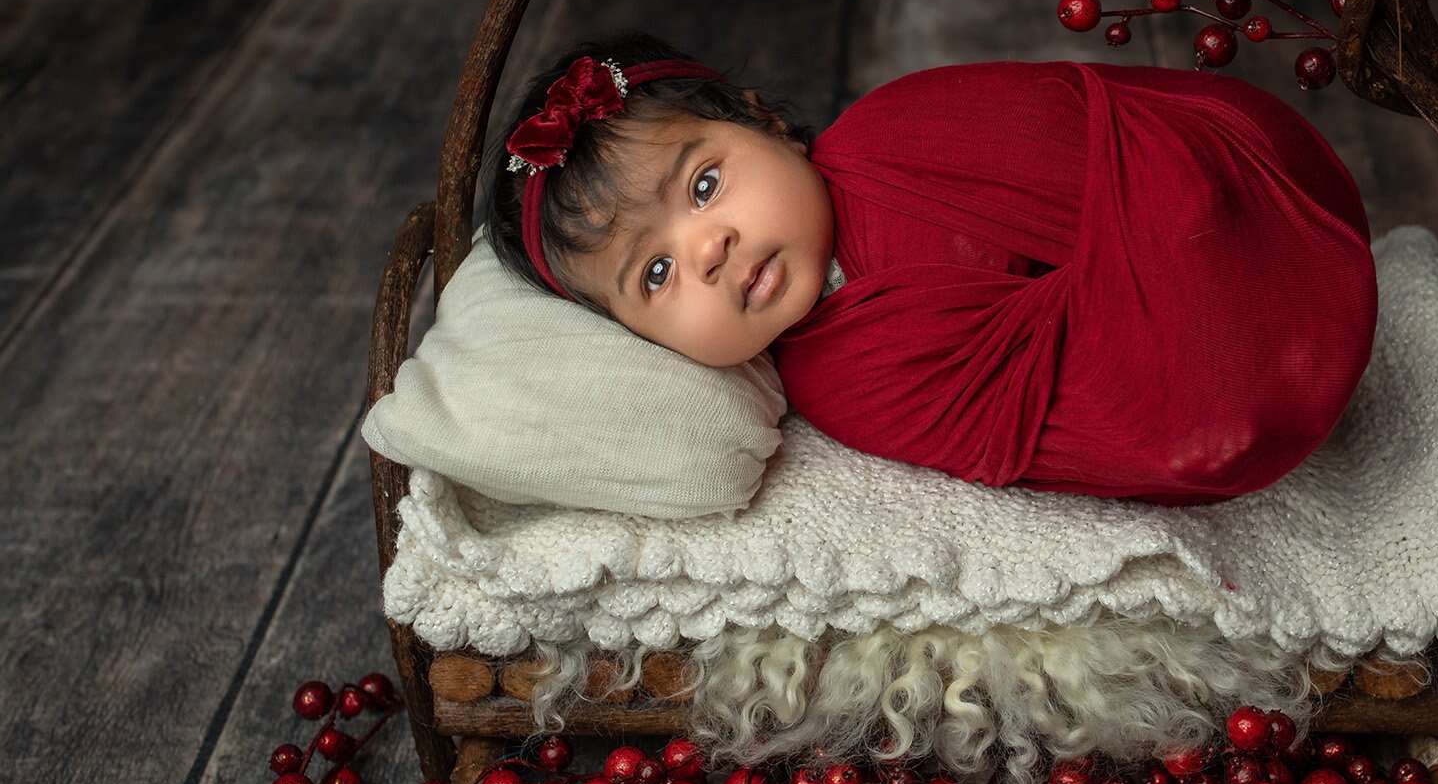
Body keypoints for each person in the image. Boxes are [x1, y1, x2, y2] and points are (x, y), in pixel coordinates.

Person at [483, 31, 1376, 506]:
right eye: (655, 275)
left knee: (1183, 198)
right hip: (1224, 385)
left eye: (704, 185)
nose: (706, 250)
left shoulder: (897, 126)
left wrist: (1170, 217)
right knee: (1178, 400)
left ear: (764, 120)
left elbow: (1076, 132)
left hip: (1256, 185)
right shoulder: (841, 383)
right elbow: (1069, 421)